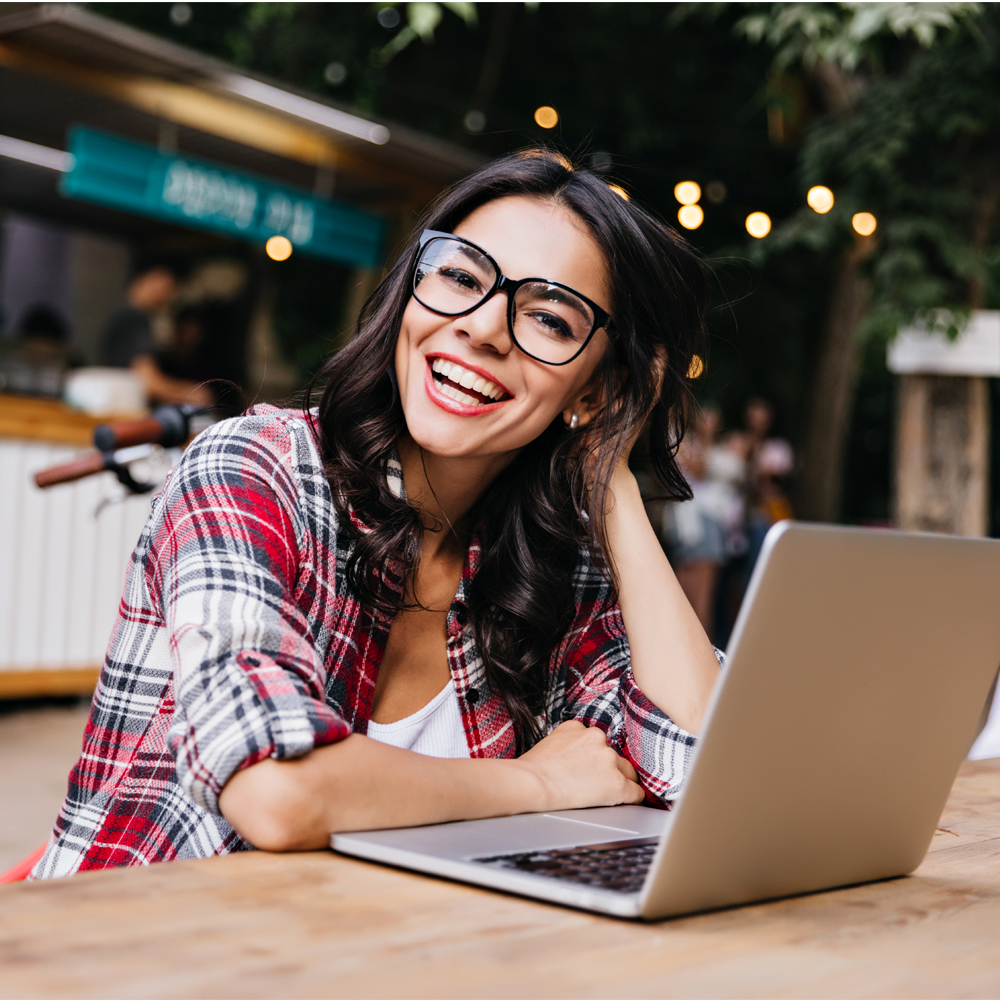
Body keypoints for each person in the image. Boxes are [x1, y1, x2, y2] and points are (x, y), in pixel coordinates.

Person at [33, 151, 721, 877]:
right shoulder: (254, 467)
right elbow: (277, 793)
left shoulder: (550, 562)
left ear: (594, 392)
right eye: (459, 276)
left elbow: (707, 769)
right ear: (410, 294)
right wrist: (538, 785)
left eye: (549, 318)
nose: (483, 327)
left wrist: (611, 479)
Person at [98, 264, 213, 407]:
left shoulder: (123, 317)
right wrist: (192, 393)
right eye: (169, 288)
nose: (170, 296)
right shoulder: (134, 319)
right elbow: (148, 381)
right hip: (124, 409)